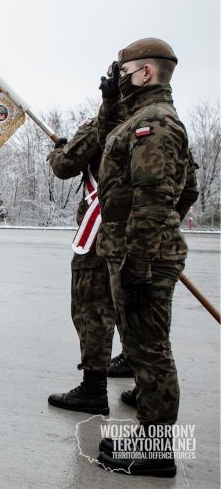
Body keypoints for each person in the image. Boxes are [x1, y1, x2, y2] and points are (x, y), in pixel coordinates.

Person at [93, 38, 198, 478]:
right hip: (141, 251)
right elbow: (186, 190)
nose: (119, 78)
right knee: (142, 348)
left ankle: (157, 453)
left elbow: (154, 198)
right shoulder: (143, 118)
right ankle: (150, 437)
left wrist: (138, 261)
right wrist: (109, 102)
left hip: (143, 257)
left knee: (151, 352)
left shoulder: (153, 123)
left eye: (124, 72)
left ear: (146, 72)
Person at [45, 115, 117, 415]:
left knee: (92, 305)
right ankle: (144, 383)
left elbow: (65, 166)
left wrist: (59, 150)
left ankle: (93, 388)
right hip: (144, 233)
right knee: (135, 305)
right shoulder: (166, 119)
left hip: (101, 232)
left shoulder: (105, 119)